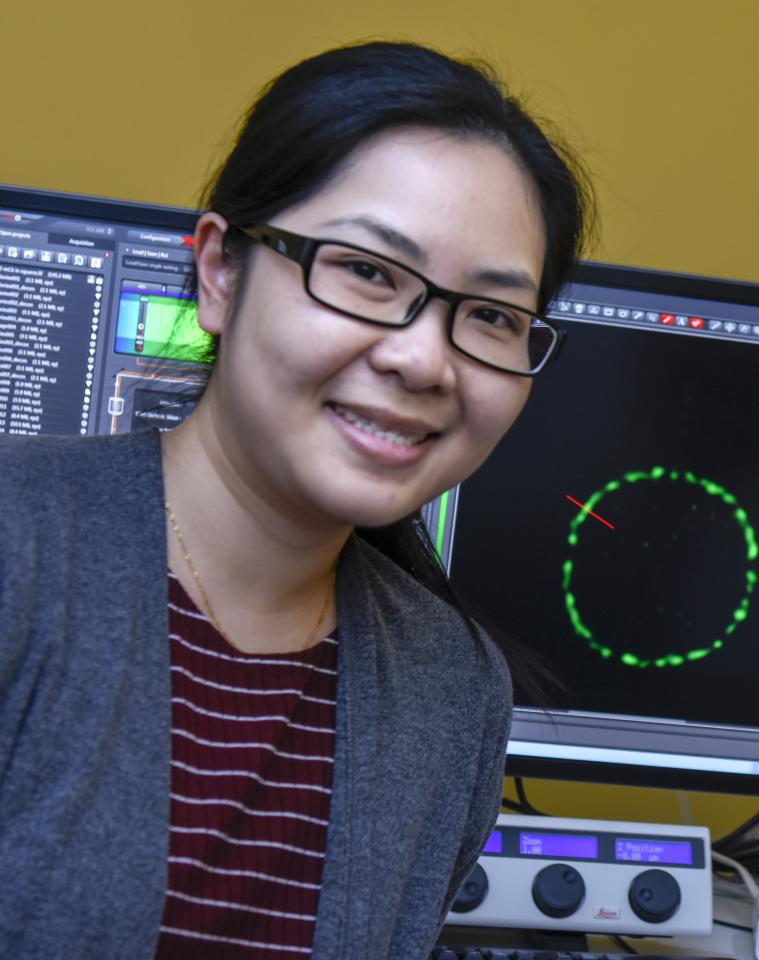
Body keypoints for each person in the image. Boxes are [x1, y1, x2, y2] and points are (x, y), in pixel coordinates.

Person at [0, 41, 589, 957]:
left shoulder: (454, 692)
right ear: (220, 273)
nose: (423, 359)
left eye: (491, 317)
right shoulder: (19, 548)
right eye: (367, 271)